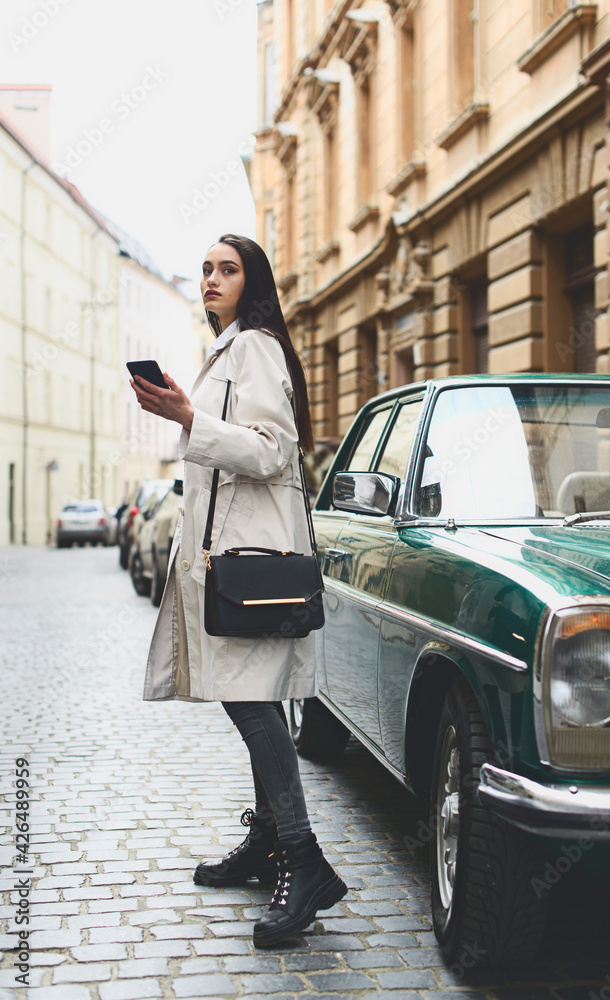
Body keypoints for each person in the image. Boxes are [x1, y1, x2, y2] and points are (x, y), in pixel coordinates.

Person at [129, 234, 347, 948]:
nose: (211, 278)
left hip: (253, 559)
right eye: (205, 269)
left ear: (251, 282)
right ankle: (266, 847)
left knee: (254, 707)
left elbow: (271, 450)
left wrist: (190, 419)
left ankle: (303, 859)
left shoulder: (255, 345)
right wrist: (190, 417)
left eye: (228, 269)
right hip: (232, 557)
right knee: (255, 702)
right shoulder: (230, 347)